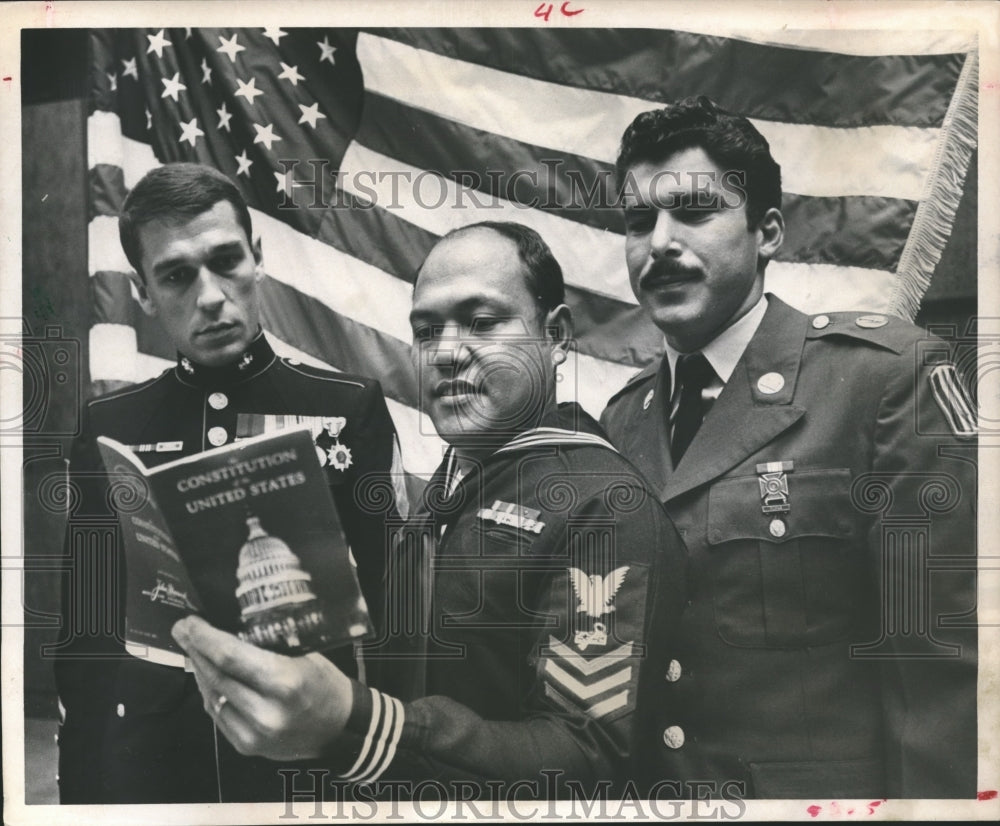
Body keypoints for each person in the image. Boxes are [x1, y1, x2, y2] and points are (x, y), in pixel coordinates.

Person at [171, 222, 691, 801]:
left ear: (556, 335)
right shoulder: (444, 491)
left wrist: (358, 720)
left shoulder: (604, 510)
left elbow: (587, 760)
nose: (445, 352)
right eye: (425, 330)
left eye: (483, 322)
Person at [600, 97, 978, 799]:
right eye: (637, 221)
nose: (659, 242)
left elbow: (938, 677)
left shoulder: (881, 380)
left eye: (693, 211)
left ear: (767, 231)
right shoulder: (623, 420)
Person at [54, 162, 404, 803]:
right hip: (157, 770)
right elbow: (88, 642)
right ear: (143, 293)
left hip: (306, 768)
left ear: (258, 258)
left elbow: (393, 612)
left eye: (226, 261)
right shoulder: (109, 428)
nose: (210, 295)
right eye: (177, 275)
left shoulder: (348, 408)